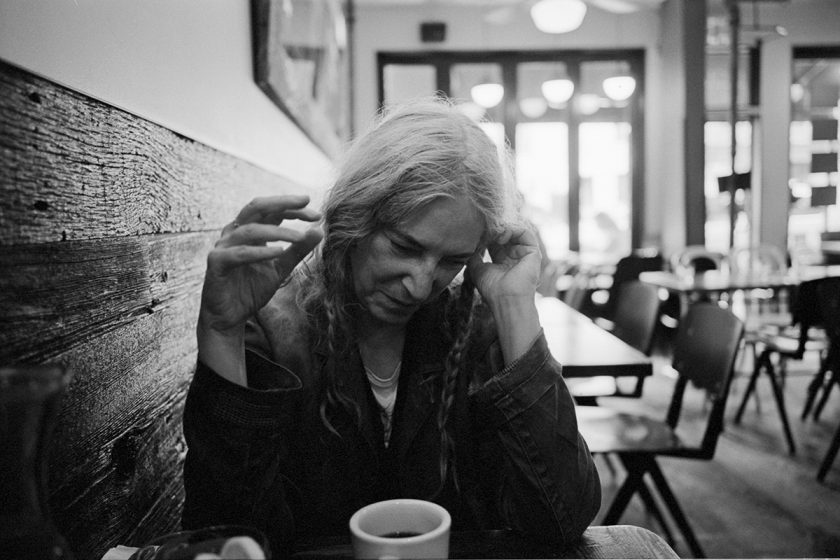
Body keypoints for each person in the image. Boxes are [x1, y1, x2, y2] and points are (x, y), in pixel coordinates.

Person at [181, 98, 601, 556]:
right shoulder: (276, 328)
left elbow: (561, 519)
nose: (421, 285)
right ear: (354, 215)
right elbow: (226, 538)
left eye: (453, 260)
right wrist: (221, 334)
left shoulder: (479, 328)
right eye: (404, 246)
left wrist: (516, 306)